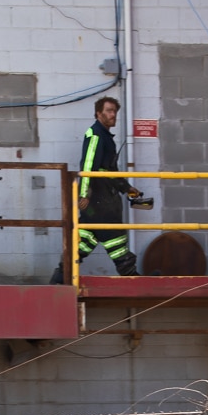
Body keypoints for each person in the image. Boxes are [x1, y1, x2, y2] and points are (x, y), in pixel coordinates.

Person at [52, 96, 140, 283]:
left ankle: (58, 283)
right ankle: (137, 282)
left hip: (100, 203)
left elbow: (109, 171)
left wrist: (127, 188)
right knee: (115, 242)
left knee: (81, 245)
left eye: (114, 111)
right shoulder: (96, 134)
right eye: (108, 111)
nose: (113, 114)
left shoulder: (105, 136)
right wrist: (83, 194)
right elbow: (88, 165)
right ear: (98, 113)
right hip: (100, 203)